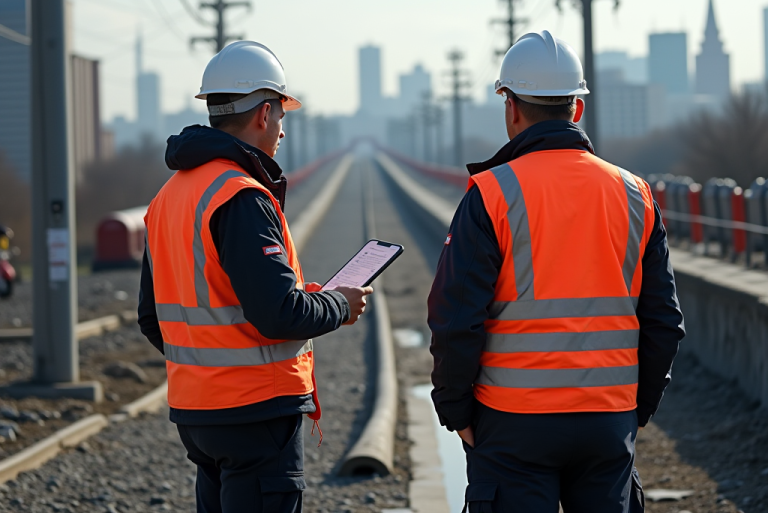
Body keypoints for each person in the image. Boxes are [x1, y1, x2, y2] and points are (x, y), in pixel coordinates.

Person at [427, 30, 685, 513]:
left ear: (511, 108)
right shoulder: (635, 195)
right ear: (577, 109)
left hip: (513, 421)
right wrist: (636, 409)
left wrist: (455, 408)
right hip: (607, 419)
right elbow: (664, 321)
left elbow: (455, 315)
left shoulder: (491, 195)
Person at [138, 40, 372, 513]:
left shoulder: (170, 196)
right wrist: (339, 305)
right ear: (264, 114)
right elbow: (278, 314)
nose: (283, 130)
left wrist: (209, 368)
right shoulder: (242, 195)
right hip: (256, 413)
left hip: (198, 415)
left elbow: (151, 316)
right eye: (281, 115)